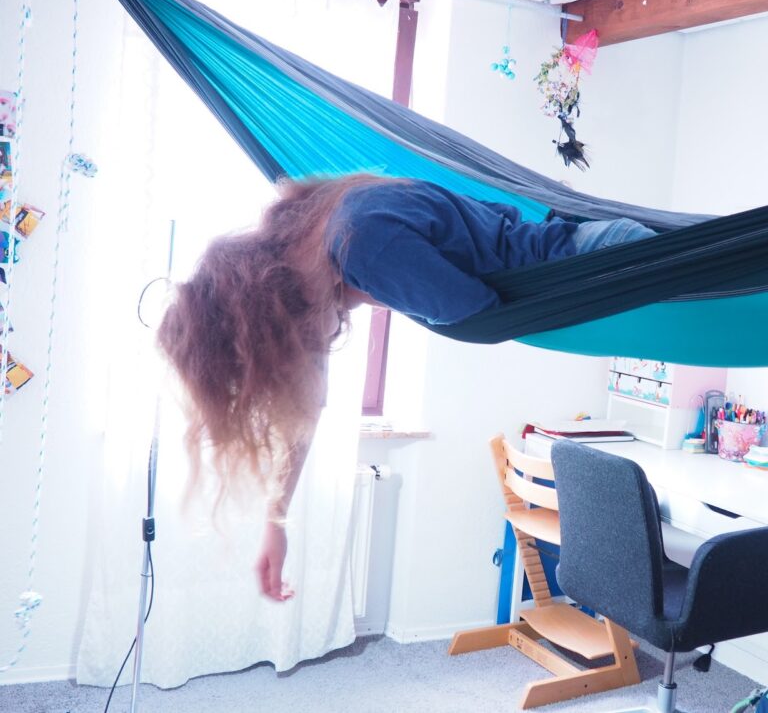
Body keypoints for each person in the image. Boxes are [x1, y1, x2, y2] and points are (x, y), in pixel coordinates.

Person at [157, 174, 655, 601]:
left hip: (609, 260)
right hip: (589, 260)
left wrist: (384, 293)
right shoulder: (326, 227)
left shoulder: (362, 244)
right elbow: (309, 406)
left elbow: (476, 311)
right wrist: (277, 519)